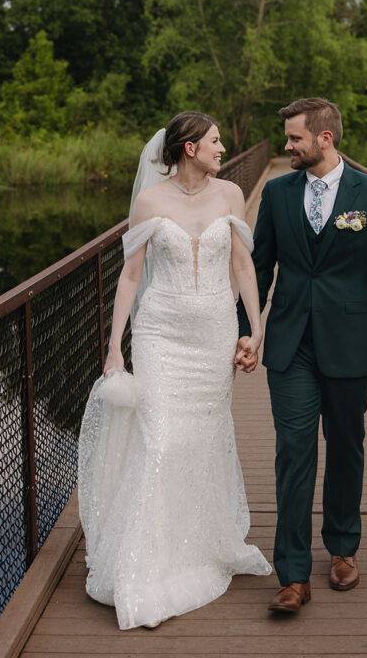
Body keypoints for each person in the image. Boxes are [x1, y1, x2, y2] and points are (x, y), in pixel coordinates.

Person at [78, 112, 271, 631]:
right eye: (213, 140)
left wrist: (255, 328)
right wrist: (115, 348)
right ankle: (149, 560)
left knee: (201, 440)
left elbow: (242, 266)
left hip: (212, 335)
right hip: (160, 333)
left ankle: (198, 541)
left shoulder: (231, 194)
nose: (221, 146)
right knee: (160, 440)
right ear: (188, 148)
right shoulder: (149, 201)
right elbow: (130, 276)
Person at [237, 97, 367, 613]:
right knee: (293, 453)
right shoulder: (276, 194)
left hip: (350, 343)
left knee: (346, 447)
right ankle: (293, 574)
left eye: (295, 138)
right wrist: (246, 331)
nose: (287, 146)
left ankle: (343, 548)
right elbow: (258, 269)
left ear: (325, 138)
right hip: (290, 342)